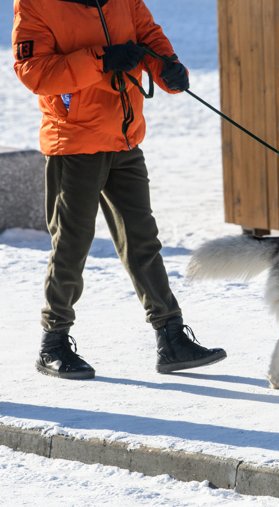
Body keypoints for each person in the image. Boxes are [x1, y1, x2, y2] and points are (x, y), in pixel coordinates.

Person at [12, 0, 226, 379]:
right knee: (72, 244)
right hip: (74, 143)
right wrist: (102, 60)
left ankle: (171, 337)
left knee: (143, 240)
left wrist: (169, 70)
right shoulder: (36, 4)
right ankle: (53, 343)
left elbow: (149, 38)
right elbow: (34, 72)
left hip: (124, 139)